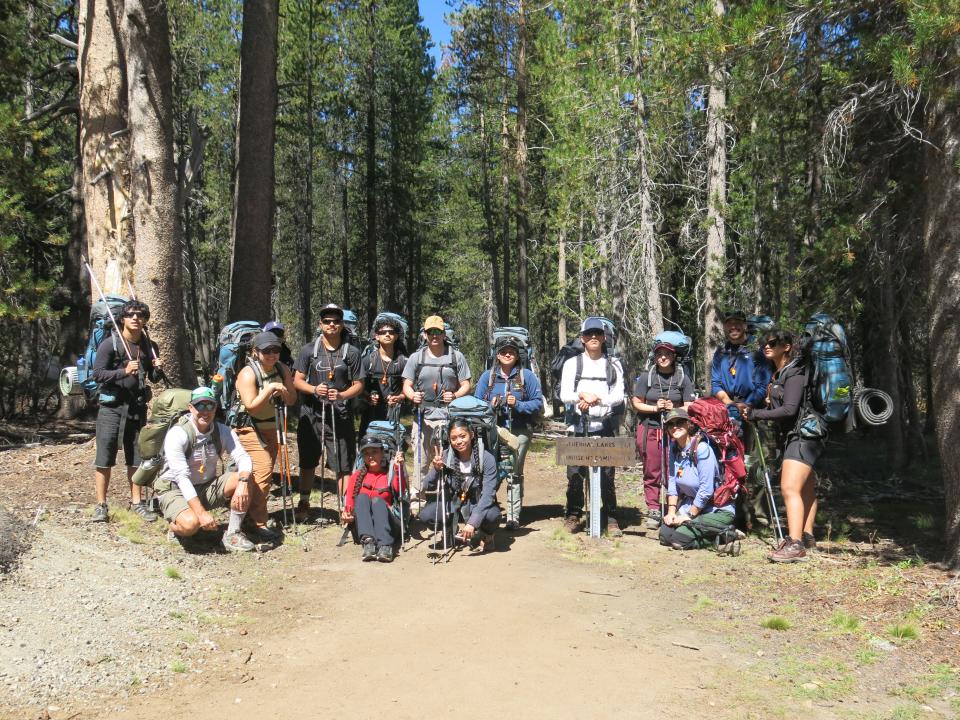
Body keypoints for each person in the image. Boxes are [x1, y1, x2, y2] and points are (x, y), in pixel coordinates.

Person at [744, 328, 822, 562]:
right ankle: (806, 536)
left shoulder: (795, 371)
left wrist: (757, 413)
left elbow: (790, 409)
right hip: (798, 434)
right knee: (806, 487)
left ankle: (795, 544)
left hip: (803, 436)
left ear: (786, 346)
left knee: (789, 488)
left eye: (773, 343)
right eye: (764, 343)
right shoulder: (780, 373)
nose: (766, 346)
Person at [154, 387, 256, 552]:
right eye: (200, 406)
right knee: (190, 525)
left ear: (216, 408)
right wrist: (201, 514)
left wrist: (243, 482)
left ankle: (233, 533)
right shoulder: (178, 434)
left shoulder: (223, 431)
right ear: (191, 408)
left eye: (210, 406)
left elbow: (243, 457)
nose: (205, 411)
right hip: (175, 489)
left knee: (245, 477)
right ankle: (175, 528)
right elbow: (182, 478)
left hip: (205, 486)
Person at [91, 299, 163, 523]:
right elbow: (98, 374)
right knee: (105, 457)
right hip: (111, 408)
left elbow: (153, 377)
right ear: (122, 318)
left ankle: (137, 503)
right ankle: (101, 505)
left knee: (136, 458)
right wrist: (123, 371)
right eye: (131, 315)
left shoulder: (149, 346)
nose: (136, 319)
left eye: (140, 316)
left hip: (136, 408)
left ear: (145, 320)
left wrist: (158, 369)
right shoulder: (110, 344)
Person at [292, 304, 364, 521]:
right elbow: (297, 380)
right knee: (308, 460)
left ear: (342, 325)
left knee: (343, 463)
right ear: (320, 324)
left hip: (340, 414)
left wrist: (342, 395)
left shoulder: (351, 352)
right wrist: (314, 389)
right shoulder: (308, 351)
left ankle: (345, 507)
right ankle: (304, 501)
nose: (331, 324)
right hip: (311, 414)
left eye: (336, 321)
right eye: (327, 321)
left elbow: (359, 384)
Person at [559, 318, 625, 536]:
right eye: (589, 334)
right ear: (582, 339)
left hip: (605, 424)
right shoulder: (572, 363)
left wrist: (597, 399)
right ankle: (574, 515)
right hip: (578, 425)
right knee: (575, 474)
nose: (593, 337)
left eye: (597, 333)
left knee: (607, 475)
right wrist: (581, 395)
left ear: (604, 337)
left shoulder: (613, 364)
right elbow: (564, 394)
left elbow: (618, 395)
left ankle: (611, 517)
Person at [233, 331, 297, 543]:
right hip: (249, 428)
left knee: (262, 472)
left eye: (276, 350)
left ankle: (246, 516)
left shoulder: (282, 368)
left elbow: (291, 399)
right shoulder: (248, 374)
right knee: (262, 472)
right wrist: (269, 389)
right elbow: (251, 406)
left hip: (273, 427)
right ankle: (257, 522)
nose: (272, 354)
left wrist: (282, 392)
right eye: (266, 350)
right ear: (255, 352)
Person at [710, 309, 772, 527]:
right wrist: (728, 404)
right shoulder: (721, 352)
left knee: (756, 464)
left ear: (745, 326)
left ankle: (761, 517)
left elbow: (763, 385)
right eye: (729, 324)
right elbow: (715, 383)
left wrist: (747, 405)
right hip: (728, 411)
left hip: (754, 411)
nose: (733, 327)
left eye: (738, 323)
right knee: (732, 463)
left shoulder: (756, 350)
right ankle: (737, 516)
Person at [474, 338, 542, 529]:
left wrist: (518, 404)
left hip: (519, 431)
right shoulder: (487, 377)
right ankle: (487, 509)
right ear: (497, 355)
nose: (507, 354)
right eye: (503, 351)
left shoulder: (526, 376)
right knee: (490, 469)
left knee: (514, 471)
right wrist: (491, 405)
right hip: (493, 429)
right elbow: (476, 403)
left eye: (511, 351)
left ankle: (513, 516)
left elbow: (538, 403)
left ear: (517, 355)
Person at [632, 341, 695, 530]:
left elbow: (689, 405)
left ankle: (673, 508)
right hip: (650, 427)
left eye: (667, 353)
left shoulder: (683, 377)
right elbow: (636, 402)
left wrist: (673, 408)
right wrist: (654, 408)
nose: (663, 357)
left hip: (675, 430)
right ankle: (653, 508)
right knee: (651, 469)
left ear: (673, 355)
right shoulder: (647, 377)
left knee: (673, 470)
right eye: (659, 354)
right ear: (655, 356)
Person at [402, 315, 471, 479]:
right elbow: (406, 385)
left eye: (438, 332)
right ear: (425, 334)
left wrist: (454, 395)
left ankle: (451, 490)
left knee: (448, 455)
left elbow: (467, 385)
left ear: (444, 334)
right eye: (430, 332)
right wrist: (413, 396)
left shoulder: (456, 356)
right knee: (422, 457)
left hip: (448, 414)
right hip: (422, 414)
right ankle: (419, 495)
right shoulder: (416, 358)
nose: (434, 335)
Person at [658, 409, 738, 552]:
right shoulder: (674, 447)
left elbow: (706, 490)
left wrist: (688, 516)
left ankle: (726, 536)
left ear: (688, 424)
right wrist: (671, 512)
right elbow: (672, 481)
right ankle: (712, 533)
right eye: (670, 424)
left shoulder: (702, 448)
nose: (674, 427)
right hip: (691, 505)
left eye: (679, 422)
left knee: (679, 540)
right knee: (665, 536)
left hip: (716, 509)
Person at [419, 419, 500, 553]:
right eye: (454, 438)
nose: (459, 441)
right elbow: (427, 485)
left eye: (463, 436)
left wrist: (473, 522)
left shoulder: (487, 458)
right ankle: (451, 530)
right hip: (453, 503)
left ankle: (486, 536)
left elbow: (488, 495)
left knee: (492, 515)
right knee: (426, 515)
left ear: (472, 435)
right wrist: (436, 469)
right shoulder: (445, 456)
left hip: (477, 502)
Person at [341, 435, 407, 562]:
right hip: (365, 527)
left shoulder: (390, 473)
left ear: (382, 452)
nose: (370, 456)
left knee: (377, 501)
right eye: (366, 453)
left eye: (374, 452)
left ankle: (385, 546)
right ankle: (368, 544)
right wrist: (347, 515)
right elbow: (349, 505)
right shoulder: (356, 477)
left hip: (390, 525)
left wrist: (399, 468)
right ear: (362, 457)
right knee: (361, 498)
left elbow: (400, 491)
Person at [358, 316, 408, 437]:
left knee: (392, 448)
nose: (387, 334)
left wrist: (399, 397)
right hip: (370, 414)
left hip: (393, 413)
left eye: (391, 332)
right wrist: (367, 397)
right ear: (377, 336)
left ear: (396, 336)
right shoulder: (367, 361)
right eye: (382, 332)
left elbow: (409, 387)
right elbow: (358, 387)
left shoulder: (403, 361)